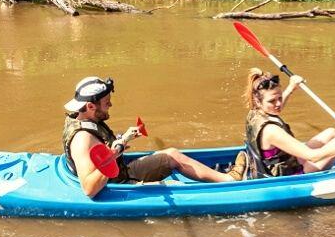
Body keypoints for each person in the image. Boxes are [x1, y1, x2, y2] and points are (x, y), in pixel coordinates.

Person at [63, 76, 245, 197]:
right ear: (90, 106)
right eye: (106, 103)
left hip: (120, 172)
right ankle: (229, 191)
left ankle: (229, 180)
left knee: (172, 155)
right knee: (177, 187)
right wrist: (115, 153)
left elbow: (101, 151)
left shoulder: (85, 117)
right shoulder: (82, 139)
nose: (110, 105)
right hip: (119, 185)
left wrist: (122, 140)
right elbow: (89, 188)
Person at [242, 68, 335, 178]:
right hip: (290, 175)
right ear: (258, 101)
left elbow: (275, 107)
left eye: (279, 98)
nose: (278, 103)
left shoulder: (255, 112)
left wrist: (291, 88)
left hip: (284, 163)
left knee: (332, 133)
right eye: (272, 101)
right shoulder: (272, 131)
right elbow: (313, 156)